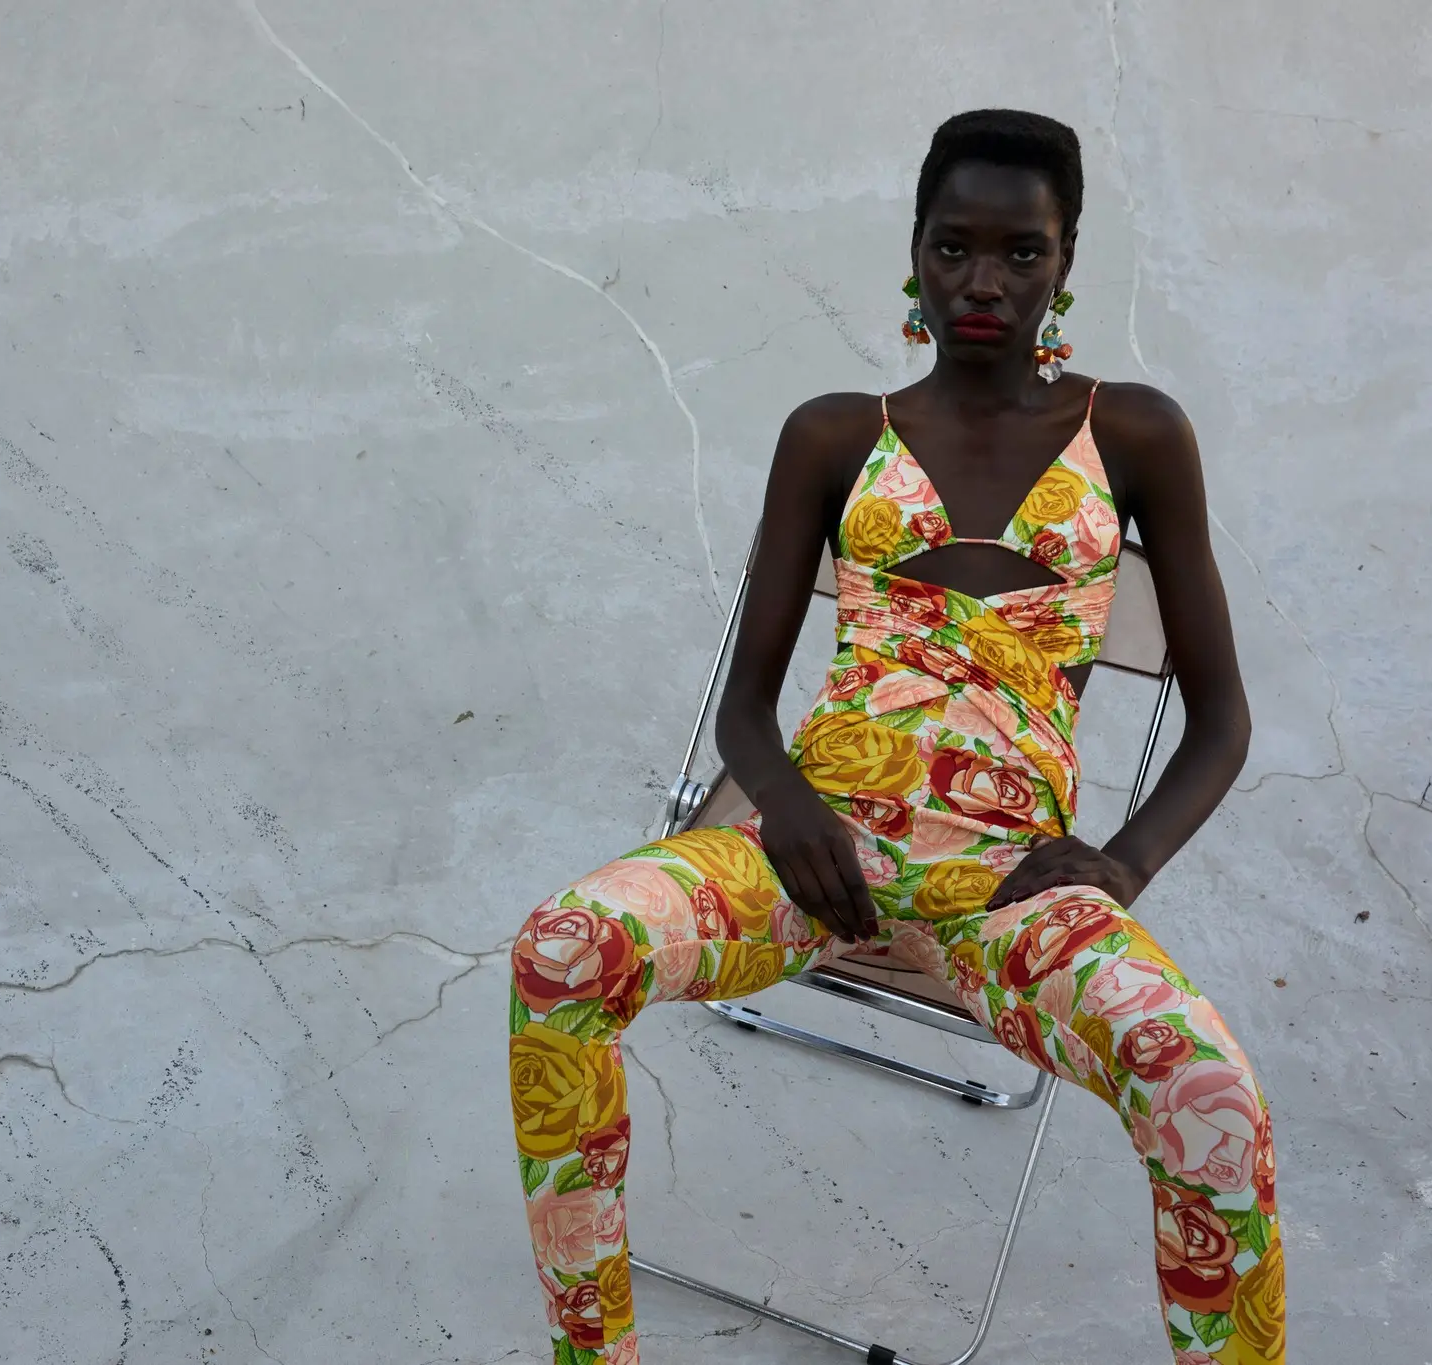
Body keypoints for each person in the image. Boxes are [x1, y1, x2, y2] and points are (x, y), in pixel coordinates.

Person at [506, 109, 1284, 1365]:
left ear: (1065, 262)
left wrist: (1121, 865)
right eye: (952, 246)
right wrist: (784, 807)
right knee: (557, 955)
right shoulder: (832, 433)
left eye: (1021, 253)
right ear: (913, 253)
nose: (983, 282)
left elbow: (1221, 719)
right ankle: (591, 1352)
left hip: (1005, 898)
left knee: (1209, 1094)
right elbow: (746, 705)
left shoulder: (1134, 432)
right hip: (806, 863)